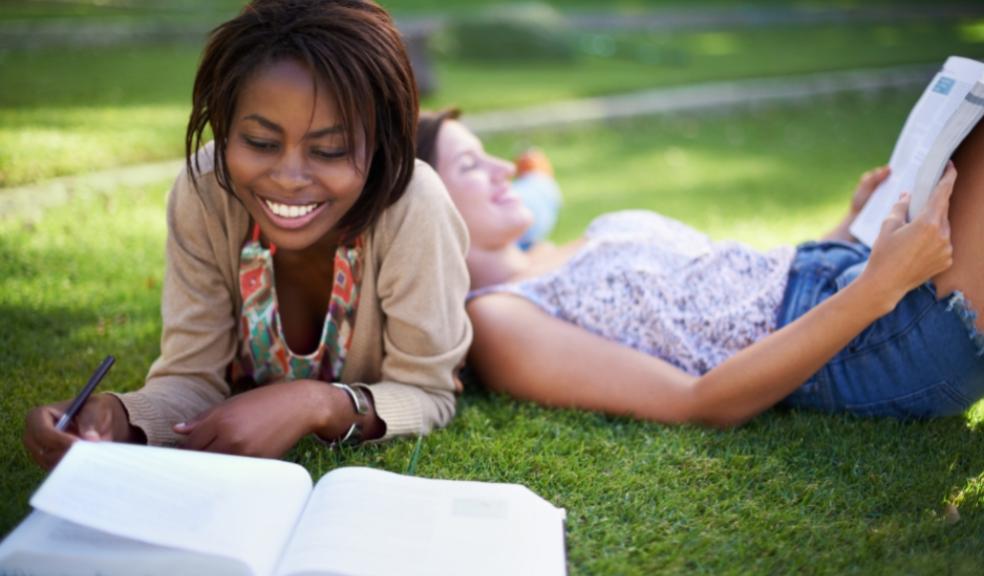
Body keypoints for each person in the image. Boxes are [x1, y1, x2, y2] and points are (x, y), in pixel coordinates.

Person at [23, 0, 472, 470]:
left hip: (444, 254)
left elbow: (427, 392)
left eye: (330, 150)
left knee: (498, 290)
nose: (290, 177)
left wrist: (317, 404)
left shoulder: (414, 206)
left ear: (378, 144)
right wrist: (117, 416)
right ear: (223, 126)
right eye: (260, 143)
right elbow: (191, 377)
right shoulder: (206, 190)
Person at [417, 108, 984, 426]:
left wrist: (848, 224)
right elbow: (700, 402)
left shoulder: (554, 248)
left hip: (842, 277)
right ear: (428, 204)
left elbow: (731, 296)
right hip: (865, 342)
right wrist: (878, 289)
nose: (499, 167)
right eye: (469, 163)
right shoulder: (499, 318)